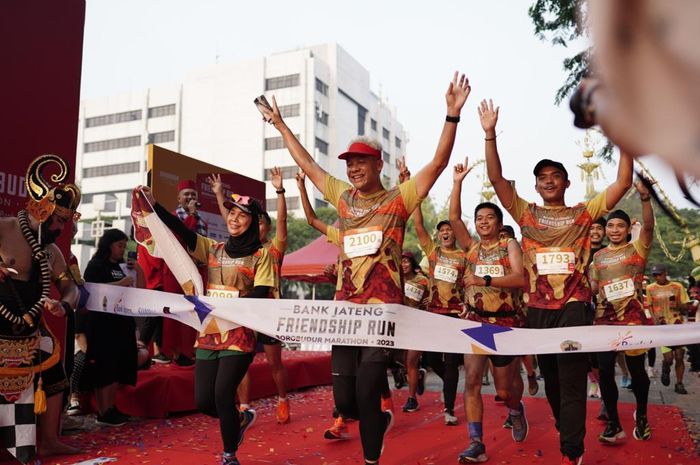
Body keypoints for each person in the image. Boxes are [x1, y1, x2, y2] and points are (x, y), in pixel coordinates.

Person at [258, 71, 470, 465]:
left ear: (378, 165)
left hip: (381, 312)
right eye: (350, 163)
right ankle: (378, 417)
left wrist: (451, 115)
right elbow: (306, 160)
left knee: (370, 386)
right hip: (344, 312)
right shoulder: (342, 197)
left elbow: (438, 163)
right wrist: (281, 124)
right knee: (346, 401)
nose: (353, 169)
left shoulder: (399, 198)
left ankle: (372, 458)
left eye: (361, 163)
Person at [480, 97, 633, 465]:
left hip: (573, 306)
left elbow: (623, 181)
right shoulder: (525, 213)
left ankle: (572, 450)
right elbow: (497, 180)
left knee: (572, 378)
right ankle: (568, 432)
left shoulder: (584, 213)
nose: (549, 182)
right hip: (537, 309)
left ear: (565, 182)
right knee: (551, 378)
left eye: (555, 177)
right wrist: (489, 135)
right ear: (536, 186)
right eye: (542, 178)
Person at [137, 184, 274, 465]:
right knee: (204, 401)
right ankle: (238, 419)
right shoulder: (213, 248)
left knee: (224, 394)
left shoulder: (262, 256)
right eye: (232, 213)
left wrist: (233, 303)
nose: (235, 219)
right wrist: (154, 205)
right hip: (209, 334)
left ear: (253, 222)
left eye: (242, 215)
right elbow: (182, 231)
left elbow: (262, 293)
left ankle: (229, 455)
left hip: (240, 335)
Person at [296, 170, 395, 439]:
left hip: (375, 312)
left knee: (367, 372)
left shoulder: (379, 234)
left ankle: (377, 409)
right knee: (343, 378)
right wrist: (301, 188)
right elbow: (312, 219)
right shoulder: (342, 239)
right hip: (343, 315)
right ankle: (345, 415)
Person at [0, 154, 82, 460]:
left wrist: (63, 304)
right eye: (59, 219)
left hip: (31, 329)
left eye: (66, 221)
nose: (61, 228)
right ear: (41, 208)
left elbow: (71, 287)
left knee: (54, 368)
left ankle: (49, 440)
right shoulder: (4, 229)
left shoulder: (53, 253)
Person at [449, 159, 528, 463]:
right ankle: (476, 441)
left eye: (489, 218)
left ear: (498, 222)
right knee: (470, 382)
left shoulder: (509, 246)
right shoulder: (470, 247)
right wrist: (457, 183)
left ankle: (515, 409)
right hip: (475, 322)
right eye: (479, 218)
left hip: (506, 324)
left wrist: (484, 279)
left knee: (505, 390)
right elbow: (454, 218)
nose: (483, 222)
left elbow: (520, 279)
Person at [209, 171, 291, 424]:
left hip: (267, 313)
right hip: (242, 313)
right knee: (238, 361)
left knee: (274, 362)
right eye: (260, 224)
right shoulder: (235, 248)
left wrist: (279, 192)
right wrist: (219, 194)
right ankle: (244, 406)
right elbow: (230, 219)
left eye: (264, 224)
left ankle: (282, 398)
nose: (262, 228)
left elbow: (282, 223)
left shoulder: (272, 250)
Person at [590, 179, 655, 444]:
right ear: (605, 230)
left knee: (637, 371)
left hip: (633, 320)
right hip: (604, 320)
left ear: (628, 229)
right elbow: (594, 286)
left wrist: (645, 199)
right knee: (605, 372)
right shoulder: (599, 257)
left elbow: (648, 227)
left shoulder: (637, 248)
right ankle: (614, 424)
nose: (615, 230)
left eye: (620, 226)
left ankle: (642, 415)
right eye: (611, 226)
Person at [411, 167, 467, 425]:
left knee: (453, 362)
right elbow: (418, 224)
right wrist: (412, 192)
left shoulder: (465, 257)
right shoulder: (433, 253)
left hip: (455, 316)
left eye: (450, 230)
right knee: (433, 360)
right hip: (434, 314)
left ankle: (449, 408)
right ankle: (448, 385)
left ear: (456, 233)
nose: (446, 233)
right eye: (442, 230)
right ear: (438, 235)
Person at [137, 179, 203, 366]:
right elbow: (180, 237)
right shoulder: (172, 218)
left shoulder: (199, 218)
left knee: (185, 313)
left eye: (193, 194)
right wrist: (190, 216)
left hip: (192, 273)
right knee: (169, 315)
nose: (190, 198)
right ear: (179, 197)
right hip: (172, 274)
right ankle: (169, 353)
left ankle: (182, 352)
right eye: (187, 194)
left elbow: (199, 243)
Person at [83, 229, 141, 427]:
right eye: (120, 245)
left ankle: (112, 407)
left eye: (124, 246)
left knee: (118, 365)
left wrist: (136, 271)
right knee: (104, 367)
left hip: (122, 321)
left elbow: (137, 290)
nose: (122, 250)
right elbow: (92, 290)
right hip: (102, 324)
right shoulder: (96, 265)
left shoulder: (122, 266)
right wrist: (119, 283)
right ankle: (103, 410)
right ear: (108, 244)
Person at [646, 263, 694, 394]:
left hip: (678, 325)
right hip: (663, 327)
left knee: (679, 356)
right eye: (655, 275)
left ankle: (679, 383)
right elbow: (649, 305)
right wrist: (654, 319)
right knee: (668, 358)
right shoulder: (650, 288)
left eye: (659, 274)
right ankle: (665, 367)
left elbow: (686, 307)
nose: (657, 277)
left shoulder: (677, 287)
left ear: (665, 273)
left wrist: (678, 304)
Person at [399, 250, 429, 413]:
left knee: (411, 362)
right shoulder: (395, 280)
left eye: (406, 261)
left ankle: (412, 399)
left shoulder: (423, 280)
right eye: (401, 261)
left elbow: (433, 296)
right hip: (400, 326)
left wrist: (429, 300)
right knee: (404, 363)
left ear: (412, 263)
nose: (403, 264)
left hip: (417, 324)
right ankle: (418, 376)